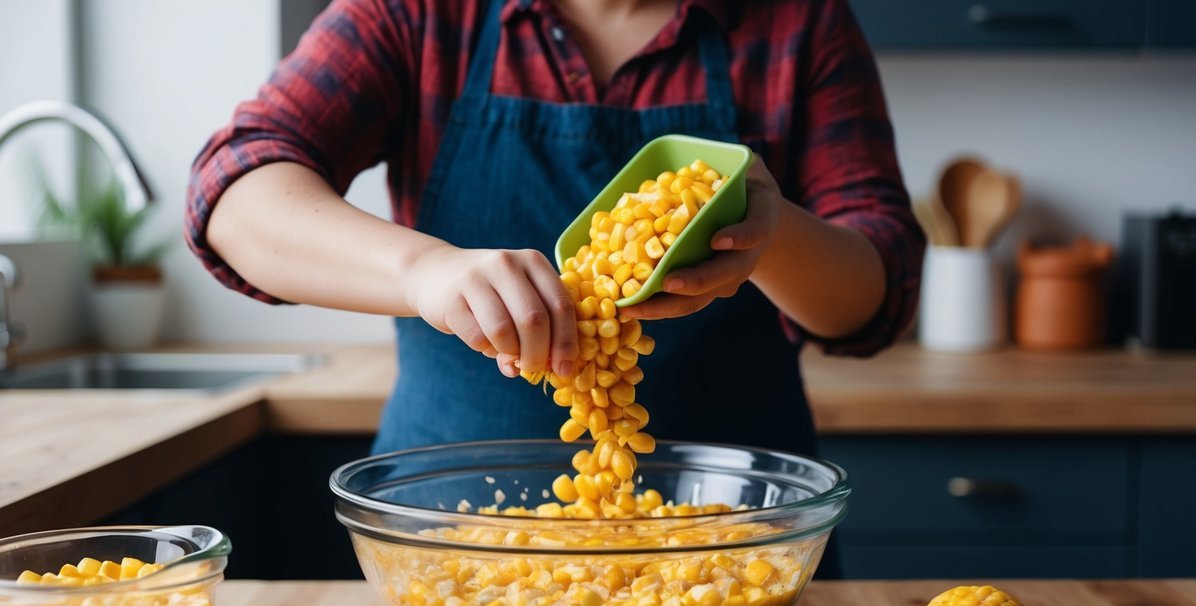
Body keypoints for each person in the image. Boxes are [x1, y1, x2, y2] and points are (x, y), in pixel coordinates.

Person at [185, 0, 922, 466]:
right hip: (452, 524)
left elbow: (877, 291)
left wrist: (776, 234)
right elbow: (235, 189)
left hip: (728, 523)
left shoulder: (798, 21)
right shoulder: (417, 14)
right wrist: (424, 273)